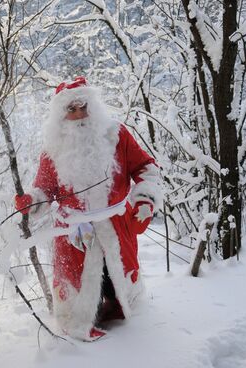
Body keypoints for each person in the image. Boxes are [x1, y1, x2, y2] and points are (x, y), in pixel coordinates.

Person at [14, 76, 162, 341]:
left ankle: (123, 310)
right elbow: (45, 190)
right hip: (74, 232)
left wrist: (145, 199)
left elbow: (146, 168)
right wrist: (31, 201)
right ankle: (78, 324)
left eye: (84, 106)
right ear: (61, 115)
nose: (80, 114)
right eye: (72, 109)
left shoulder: (117, 135)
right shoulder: (53, 149)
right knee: (77, 284)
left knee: (117, 277)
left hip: (115, 225)